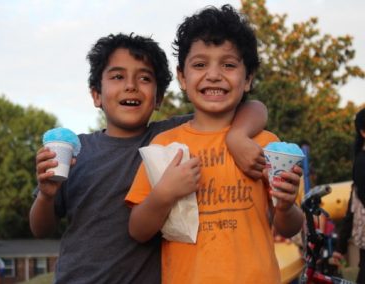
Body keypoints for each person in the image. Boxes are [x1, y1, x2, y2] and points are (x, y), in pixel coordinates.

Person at [29, 33, 269, 283]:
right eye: (118, 76)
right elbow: (41, 229)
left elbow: (251, 106)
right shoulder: (78, 150)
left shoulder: (171, 137)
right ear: (96, 95)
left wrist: (238, 135)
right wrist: (47, 195)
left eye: (144, 78)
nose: (131, 85)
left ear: (159, 98)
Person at [126, 5, 303, 283]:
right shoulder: (165, 146)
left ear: (248, 79)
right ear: (183, 78)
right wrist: (164, 194)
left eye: (229, 64)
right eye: (199, 64)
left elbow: (289, 226)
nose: (213, 74)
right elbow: (137, 230)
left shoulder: (266, 145)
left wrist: (286, 205)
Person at [335, 108, 365, 283]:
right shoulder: (361, 162)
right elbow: (356, 204)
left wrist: (340, 245)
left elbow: (351, 205)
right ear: (362, 132)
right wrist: (340, 245)